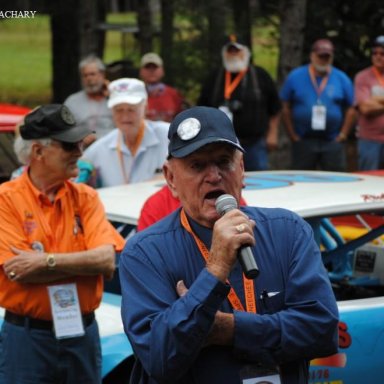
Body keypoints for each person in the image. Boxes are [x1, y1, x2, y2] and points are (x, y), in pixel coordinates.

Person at [119, 106, 339, 383]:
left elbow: (323, 332)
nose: (213, 176)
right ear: (171, 179)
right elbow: (159, 359)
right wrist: (216, 268)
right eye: (197, 165)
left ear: (242, 169)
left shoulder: (289, 231)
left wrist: (230, 330)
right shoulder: (144, 252)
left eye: (224, 162)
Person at [0, 104, 125, 383]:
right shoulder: (5, 199)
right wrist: (83, 263)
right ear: (38, 152)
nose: (80, 153)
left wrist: (46, 262)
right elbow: (17, 270)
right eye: (69, 146)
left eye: (79, 143)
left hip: (81, 332)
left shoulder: (86, 197)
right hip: (28, 339)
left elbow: (106, 262)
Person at [197, 35, 281, 171]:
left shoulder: (260, 75)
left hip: (254, 143)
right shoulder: (214, 77)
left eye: (237, 50)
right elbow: (202, 108)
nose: (233, 54)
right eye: (230, 51)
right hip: (220, 145)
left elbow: (275, 108)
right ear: (224, 53)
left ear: (246, 52)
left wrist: (273, 134)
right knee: (223, 181)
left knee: (258, 181)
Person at [280, 38, 356, 171]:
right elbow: (285, 106)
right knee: (301, 178)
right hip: (303, 140)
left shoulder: (342, 78)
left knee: (335, 179)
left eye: (327, 56)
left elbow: (352, 108)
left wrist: (343, 134)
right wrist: (292, 135)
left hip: (332, 141)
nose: (323, 59)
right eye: (320, 56)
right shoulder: (295, 76)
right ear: (312, 55)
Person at [82, 77, 169, 187]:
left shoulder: (168, 136)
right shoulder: (99, 149)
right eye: (118, 110)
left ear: (145, 108)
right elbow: (76, 175)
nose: (125, 116)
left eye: (131, 109)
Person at [64, 54, 113, 139]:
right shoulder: (72, 101)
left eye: (92, 74)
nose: (89, 79)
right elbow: (64, 131)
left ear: (102, 75)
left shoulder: (114, 100)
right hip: (82, 149)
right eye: (85, 75)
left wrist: (112, 94)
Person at [354, 35, 384, 170]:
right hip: (370, 140)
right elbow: (365, 108)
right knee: (369, 181)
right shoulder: (363, 77)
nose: (378, 56)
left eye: (382, 53)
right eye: (375, 53)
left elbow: (370, 104)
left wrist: (376, 99)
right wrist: (369, 103)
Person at [139, 52, 185, 122]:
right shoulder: (135, 95)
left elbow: (183, 119)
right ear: (141, 71)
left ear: (162, 71)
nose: (151, 70)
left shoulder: (174, 94)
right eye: (147, 67)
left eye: (155, 67)